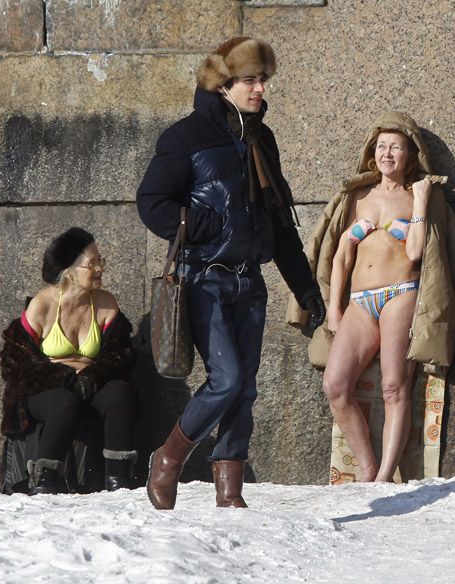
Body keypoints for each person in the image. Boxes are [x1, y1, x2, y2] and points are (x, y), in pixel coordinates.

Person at [136, 37, 325, 509]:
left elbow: (279, 222)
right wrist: (195, 222)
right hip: (203, 278)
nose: (261, 88)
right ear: (223, 84)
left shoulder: (260, 138)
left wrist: (305, 288)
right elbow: (151, 202)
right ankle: (169, 458)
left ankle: (230, 491)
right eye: (251, 80)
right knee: (227, 378)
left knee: (246, 387)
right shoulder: (185, 137)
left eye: (264, 79)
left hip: (249, 281)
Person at [287, 111, 455, 483]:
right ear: (373, 153)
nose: (387, 154)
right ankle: (368, 467)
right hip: (359, 301)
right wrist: (334, 310)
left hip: (402, 294)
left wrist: (419, 202)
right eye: (382, 146)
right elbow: (339, 257)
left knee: (393, 385)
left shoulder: (424, 197)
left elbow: (418, 253)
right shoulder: (356, 196)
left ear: (410, 154)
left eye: (396, 147)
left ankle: (385, 476)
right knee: (335, 386)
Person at [0, 228, 137, 495]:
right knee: (65, 402)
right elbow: (16, 365)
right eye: (92, 263)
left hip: (90, 382)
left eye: (101, 261)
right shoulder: (42, 305)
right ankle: (43, 479)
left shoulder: (106, 303)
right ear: (69, 269)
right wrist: (64, 378)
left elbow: (121, 356)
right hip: (45, 388)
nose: (100, 268)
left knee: (120, 393)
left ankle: (118, 480)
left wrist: (92, 377)